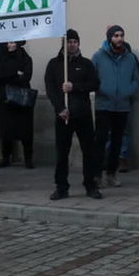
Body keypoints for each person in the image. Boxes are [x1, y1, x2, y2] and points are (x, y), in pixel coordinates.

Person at [46, 29, 102, 199]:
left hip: (82, 113)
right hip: (63, 115)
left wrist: (75, 87)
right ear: (64, 43)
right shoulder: (54, 64)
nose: (72, 44)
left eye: (74, 41)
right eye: (69, 41)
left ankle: (90, 185)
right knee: (62, 153)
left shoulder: (86, 63)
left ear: (78, 43)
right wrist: (59, 109)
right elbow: (51, 90)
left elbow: (94, 83)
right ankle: (61, 187)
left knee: (88, 151)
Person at [92, 25, 139, 188]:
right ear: (109, 38)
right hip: (103, 105)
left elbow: (136, 78)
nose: (119, 39)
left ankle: (111, 174)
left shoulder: (130, 58)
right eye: (115, 36)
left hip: (122, 106)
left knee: (117, 141)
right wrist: (102, 89)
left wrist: (129, 90)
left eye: (121, 35)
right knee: (100, 141)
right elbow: (92, 78)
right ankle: (96, 174)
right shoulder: (98, 56)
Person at [0, 41, 35, 169]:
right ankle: (6, 157)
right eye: (8, 43)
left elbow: (26, 76)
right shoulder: (3, 57)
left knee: (25, 130)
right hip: (6, 99)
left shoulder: (26, 58)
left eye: (12, 42)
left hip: (22, 99)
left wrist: (12, 76)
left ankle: (28, 159)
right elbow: (0, 75)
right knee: (6, 130)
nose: (9, 45)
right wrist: (16, 73)